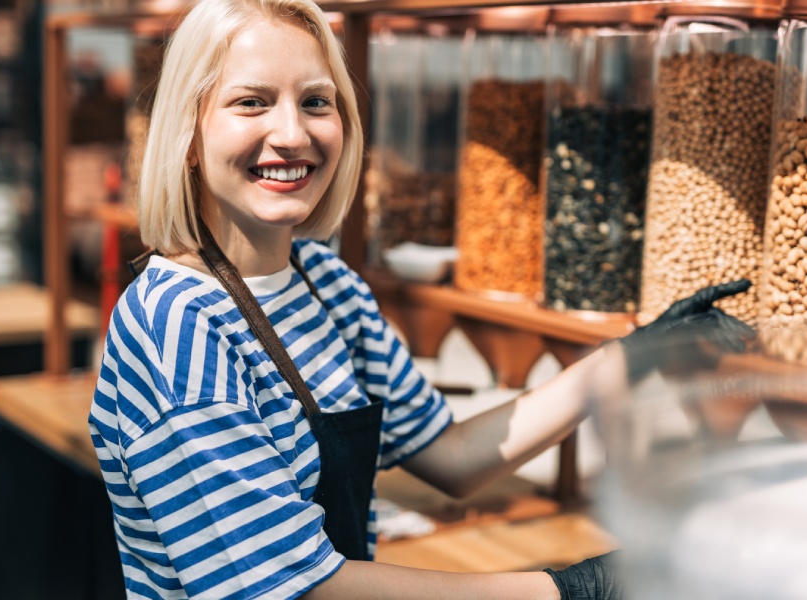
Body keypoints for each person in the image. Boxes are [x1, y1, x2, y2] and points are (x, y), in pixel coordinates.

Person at [88, 0, 755, 597]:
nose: (292, 134)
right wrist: (573, 589)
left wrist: (631, 356)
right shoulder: (176, 327)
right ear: (189, 136)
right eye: (251, 102)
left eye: (316, 102)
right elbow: (292, 588)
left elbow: (453, 454)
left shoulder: (327, 283)